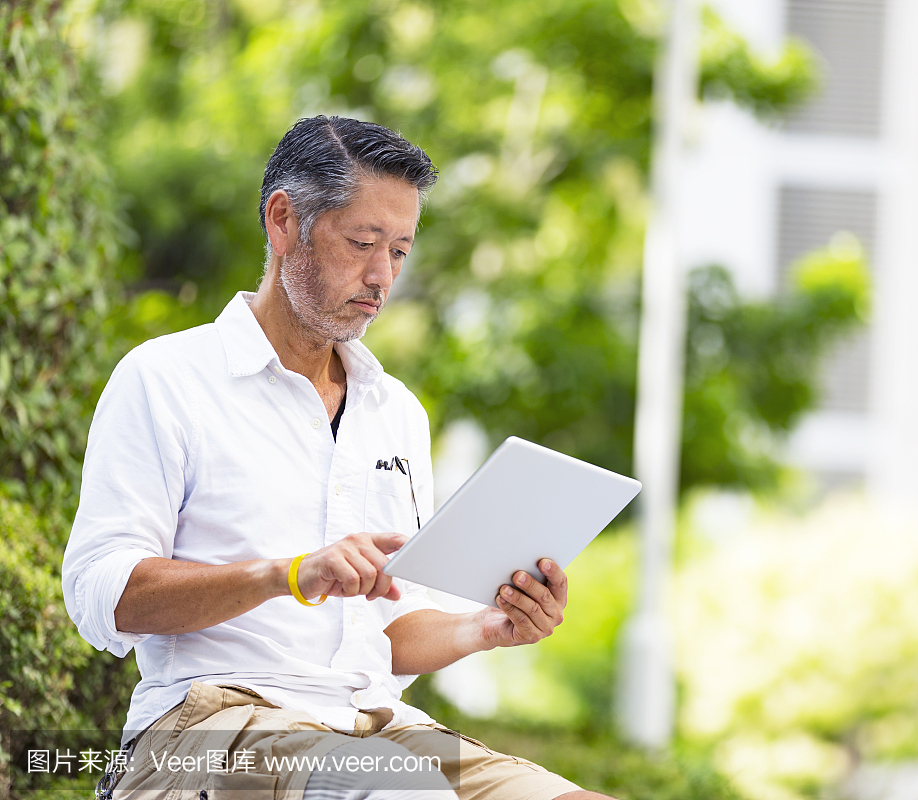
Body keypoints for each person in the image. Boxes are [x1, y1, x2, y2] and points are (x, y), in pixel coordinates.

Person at [63, 116, 614, 800]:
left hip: (375, 728)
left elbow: (388, 632)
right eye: (362, 243)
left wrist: (487, 627)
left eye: (401, 252)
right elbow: (101, 597)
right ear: (283, 221)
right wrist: (288, 574)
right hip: (205, 728)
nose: (381, 277)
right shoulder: (166, 379)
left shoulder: (395, 413)